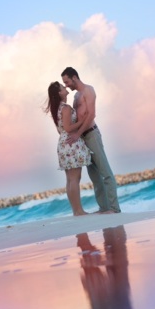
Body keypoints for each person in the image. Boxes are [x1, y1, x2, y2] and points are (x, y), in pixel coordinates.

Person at [61, 67, 121, 213]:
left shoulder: (88, 90)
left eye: (67, 81)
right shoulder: (75, 97)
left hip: (91, 135)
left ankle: (114, 208)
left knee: (105, 172)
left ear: (74, 77)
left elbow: (91, 114)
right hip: (82, 139)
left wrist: (77, 134)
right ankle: (104, 208)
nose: (66, 85)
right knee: (94, 176)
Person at [44, 81, 91, 216]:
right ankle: (79, 211)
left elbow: (61, 130)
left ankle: (75, 211)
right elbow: (68, 127)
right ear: (59, 93)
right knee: (75, 178)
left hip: (63, 143)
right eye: (62, 87)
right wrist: (83, 120)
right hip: (70, 143)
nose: (65, 88)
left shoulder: (57, 108)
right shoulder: (65, 108)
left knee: (70, 179)